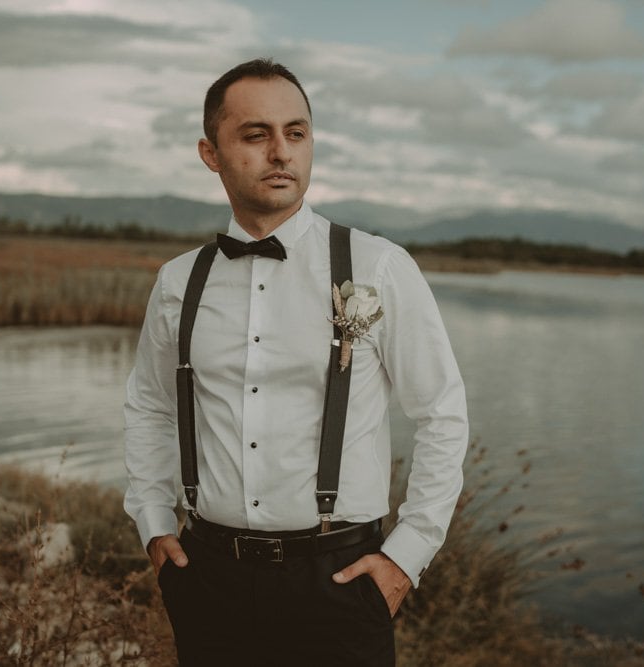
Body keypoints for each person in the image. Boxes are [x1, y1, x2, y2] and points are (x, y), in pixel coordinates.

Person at [123, 58, 468, 666]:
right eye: (256, 135)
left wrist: (405, 556)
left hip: (339, 584)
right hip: (208, 580)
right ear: (211, 152)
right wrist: (154, 523)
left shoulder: (379, 267)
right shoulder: (180, 281)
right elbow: (150, 405)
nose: (281, 152)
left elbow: (441, 414)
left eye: (297, 132)